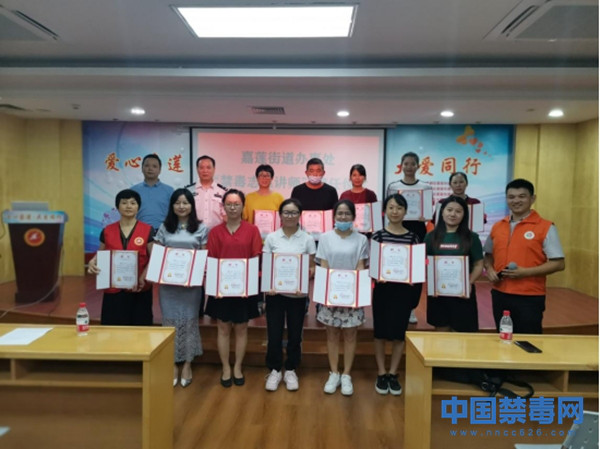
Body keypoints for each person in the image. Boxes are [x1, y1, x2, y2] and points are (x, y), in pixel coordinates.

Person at [484, 179, 565, 334]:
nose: (516, 201)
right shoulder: (498, 226)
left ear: (532, 199)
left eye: (522, 196)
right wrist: (489, 269)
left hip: (529, 296)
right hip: (500, 294)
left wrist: (525, 272)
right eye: (511, 197)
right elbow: (488, 255)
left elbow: (559, 263)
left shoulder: (546, 227)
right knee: (502, 338)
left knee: (528, 340)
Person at [205, 189, 263, 387]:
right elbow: (212, 260)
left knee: (241, 328)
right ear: (223, 206)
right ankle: (225, 367)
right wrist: (216, 287)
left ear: (242, 206)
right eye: (228, 204)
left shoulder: (252, 230)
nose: (232, 207)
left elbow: (255, 258)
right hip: (221, 289)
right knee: (223, 328)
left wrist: (249, 286)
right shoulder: (215, 232)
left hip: (244, 289)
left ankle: (237, 366)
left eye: (236, 204)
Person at [154, 188, 208, 388]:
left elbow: (203, 256)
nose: (181, 206)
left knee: (189, 321)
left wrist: (197, 274)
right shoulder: (165, 227)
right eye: (177, 203)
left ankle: (187, 363)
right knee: (169, 322)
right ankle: (172, 363)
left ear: (192, 206)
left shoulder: (201, 228)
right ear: (172, 206)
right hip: (168, 285)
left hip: (190, 286)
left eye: (185, 202)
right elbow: (157, 253)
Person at [262, 198, 316, 392]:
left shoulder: (307, 239)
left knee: (295, 333)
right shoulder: (272, 238)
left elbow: (312, 267)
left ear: (299, 215)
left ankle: (291, 368)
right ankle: (275, 369)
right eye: (286, 212)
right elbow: (267, 266)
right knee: (274, 333)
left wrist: (304, 277)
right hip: (275, 294)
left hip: (297, 295)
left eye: (294, 212)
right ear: (280, 215)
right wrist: (269, 284)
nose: (290, 216)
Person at [316, 200, 368, 396]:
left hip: (352, 295)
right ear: (334, 216)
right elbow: (323, 265)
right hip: (331, 294)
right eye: (340, 213)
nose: (343, 217)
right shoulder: (325, 238)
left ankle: (346, 374)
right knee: (331, 334)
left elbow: (361, 267)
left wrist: (355, 294)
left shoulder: (361, 239)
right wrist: (328, 292)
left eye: (347, 214)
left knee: (350, 334)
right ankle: (334, 373)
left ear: (353, 217)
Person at [371, 193, 421, 396]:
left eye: (399, 208)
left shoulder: (413, 237)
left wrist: (412, 278)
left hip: (404, 292)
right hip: (383, 291)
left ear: (405, 211)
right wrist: (377, 275)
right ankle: (381, 372)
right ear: (385, 211)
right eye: (391, 207)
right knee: (380, 333)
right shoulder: (378, 236)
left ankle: (393, 373)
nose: (395, 211)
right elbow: (372, 267)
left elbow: (417, 268)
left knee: (399, 334)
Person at [87, 189, 154, 325]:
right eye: (124, 203)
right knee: (113, 328)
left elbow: (153, 258)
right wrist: (92, 262)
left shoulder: (148, 230)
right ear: (117, 206)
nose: (128, 206)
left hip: (139, 288)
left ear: (138, 207)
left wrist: (144, 276)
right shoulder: (107, 230)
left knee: (140, 328)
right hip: (114, 288)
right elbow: (100, 254)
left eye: (133, 203)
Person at [424, 196, 484, 332]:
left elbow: (478, 264)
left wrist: (469, 282)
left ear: (464, 215)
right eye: (449, 210)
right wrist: (432, 281)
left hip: (463, 292)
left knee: (461, 333)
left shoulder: (472, 237)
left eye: (458, 211)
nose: (453, 214)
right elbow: (425, 261)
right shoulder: (431, 237)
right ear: (442, 212)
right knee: (441, 331)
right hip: (438, 292)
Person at [386, 151, 432, 324]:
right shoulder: (393, 186)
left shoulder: (425, 187)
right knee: (396, 264)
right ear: (401, 165)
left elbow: (429, 212)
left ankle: (412, 307)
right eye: (406, 164)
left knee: (416, 269)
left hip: (418, 229)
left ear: (418, 166)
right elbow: (388, 209)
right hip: (397, 228)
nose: (409, 167)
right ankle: (394, 304)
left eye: (413, 164)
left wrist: (425, 215)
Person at [130, 154, 174, 230]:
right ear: (142, 168)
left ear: (160, 170)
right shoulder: (133, 190)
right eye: (147, 165)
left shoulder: (170, 191)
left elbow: (174, 214)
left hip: (163, 232)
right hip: (139, 231)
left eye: (154, 166)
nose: (150, 169)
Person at [194, 155, 227, 230]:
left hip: (217, 233)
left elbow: (226, 216)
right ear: (197, 169)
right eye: (201, 168)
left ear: (214, 169)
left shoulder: (223, 192)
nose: (205, 171)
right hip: (194, 233)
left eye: (208, 168)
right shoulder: (189, 190)